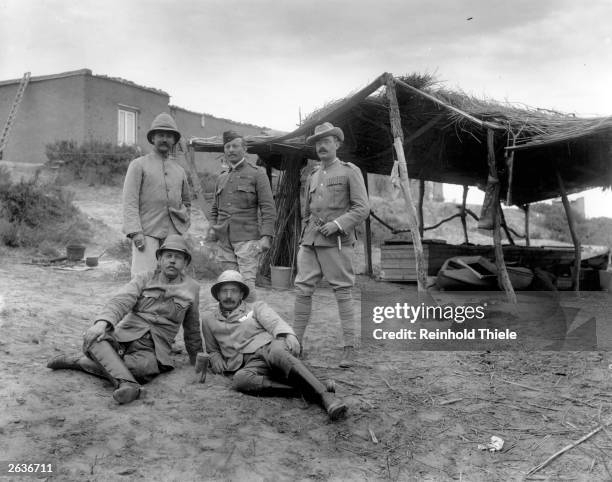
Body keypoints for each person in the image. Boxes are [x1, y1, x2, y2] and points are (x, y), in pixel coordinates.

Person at [47, 235, 202, 405]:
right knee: (92, 339)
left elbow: (192, 328)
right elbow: (121, 301)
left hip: (153, 348)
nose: (172, 261)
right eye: (168, 256)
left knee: (142, 370)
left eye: (178, 257)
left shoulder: (192, 288)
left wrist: (197, 358)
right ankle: (127, 384)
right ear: (159, 259)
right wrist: (102, 324)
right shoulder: (144, 278)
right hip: (124, 336)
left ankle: (80, 362)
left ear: (185, 263)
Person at [201, 270, 348, 421]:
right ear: (218, 294)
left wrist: (288, 334)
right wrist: (215, 357)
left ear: (241, 294)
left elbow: (274, 322)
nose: (229, 296)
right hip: (248, 362)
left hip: (270, 347)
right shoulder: (208, 319)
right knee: (240, 380)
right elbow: (212, 349)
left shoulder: (256, 307)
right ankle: (314, 387)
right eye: (224, 291)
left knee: (277, 352)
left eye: (234, 291)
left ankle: (325, 397)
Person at [293, 122, 370, 368]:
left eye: (326, 141)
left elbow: (362, 208)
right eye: (317, 142)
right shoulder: (313, 175)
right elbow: (307, 211)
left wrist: (337, 224)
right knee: (302, 290)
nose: (321, 146)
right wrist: (307, 232)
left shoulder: (349, 171)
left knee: (342, 291)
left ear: (337, 144)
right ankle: (295, 344)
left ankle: (349, 348)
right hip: (310, 240)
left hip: (337, 241)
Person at [123, 112, 192, 276]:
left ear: (174, 141)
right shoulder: (138, 165)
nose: (164, 139)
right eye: (160, 135)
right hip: (147, 233)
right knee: (143, 279)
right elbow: (129, 202)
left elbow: (187, 203)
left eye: (169, 136)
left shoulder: (179, 171)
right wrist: (136, 232)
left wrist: (183, 226)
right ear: (153, 138)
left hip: (173, 235)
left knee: (172, 279)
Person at [210, 131, 276, 298]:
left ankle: (251, 320)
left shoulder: (257, 173)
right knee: (229, 287)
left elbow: (268, 207)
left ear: (245, 149)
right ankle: (233, 322)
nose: (231, 150)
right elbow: (214, 210)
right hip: (225, 241)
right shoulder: (222, 178)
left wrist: (266, 236)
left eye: (235, 146)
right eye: (227, 146)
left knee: (247, 287)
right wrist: (213, 229)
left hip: (247, 240)